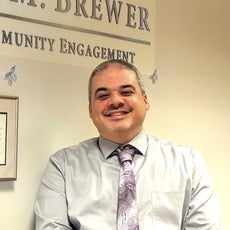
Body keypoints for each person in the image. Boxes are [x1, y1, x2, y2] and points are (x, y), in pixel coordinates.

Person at [35, 59, 221, 229]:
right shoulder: (62, 166)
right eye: (102, 96)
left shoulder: (188, 163)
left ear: (145, 101)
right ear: (91, 109)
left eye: (126, 92)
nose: (115, 101)